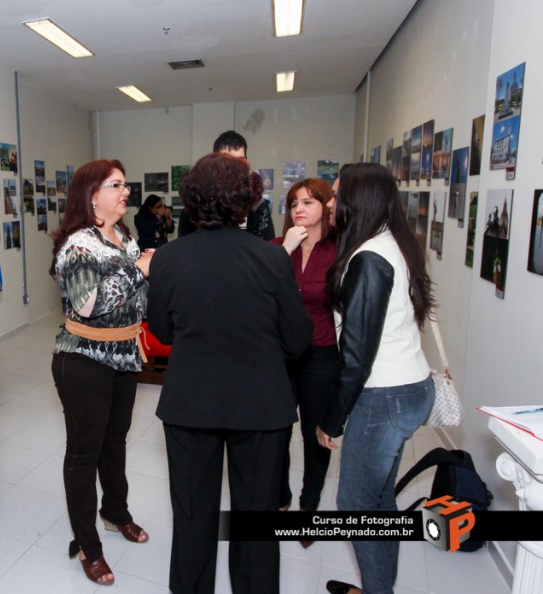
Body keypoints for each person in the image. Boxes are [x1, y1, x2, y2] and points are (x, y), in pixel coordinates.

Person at [147, 153, 312, 594]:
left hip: (189, 403)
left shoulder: (167, 258)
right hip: (260, 405)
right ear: (246, 201)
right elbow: (298, 339)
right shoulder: (272, 260)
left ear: (192, 200)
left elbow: (161, 331)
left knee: (192, 518)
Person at [316, 163, 436, 594]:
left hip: (384, 395)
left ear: (358, 201)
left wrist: (333, 419)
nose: (331, 204)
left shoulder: (370, 258)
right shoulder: (392, 242)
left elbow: (357, 354)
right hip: (408, 387)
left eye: (335, 195)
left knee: (356, 504)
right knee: (379, 500)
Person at [50, 159, 154, 587]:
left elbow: (138, 295)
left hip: (125, 356)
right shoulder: (78, 245)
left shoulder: (124, 237)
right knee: (83, 453)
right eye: (116, 185)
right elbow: (89, 304)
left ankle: (116, 512)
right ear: (93, 194)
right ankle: (88, 546)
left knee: (115, 444)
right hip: (83, 361)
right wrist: (140, 268)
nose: (125, 191)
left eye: (126, 184)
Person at [272, 178, 339, 522]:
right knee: (277, 430)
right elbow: (258, 292)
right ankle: (280, 495)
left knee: (315, 434)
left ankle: (309, 503)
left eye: (308, 202)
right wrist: (284, 249)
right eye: (295, 203)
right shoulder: (277, 247)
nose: (299, 208)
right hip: (281, 355)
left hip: (321, 354)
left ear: (326, 207)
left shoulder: (338, 250)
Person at [178, 130, 273, 239]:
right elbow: (184, 249)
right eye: (227, 160)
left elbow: (266, 247)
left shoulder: (258, 207)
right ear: (214, 163)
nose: (234, 167)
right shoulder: (195, 207)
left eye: (240, 160)